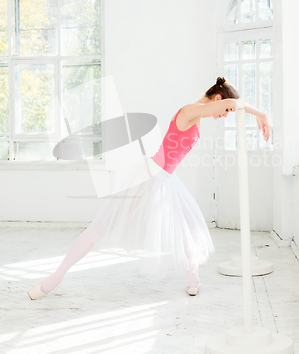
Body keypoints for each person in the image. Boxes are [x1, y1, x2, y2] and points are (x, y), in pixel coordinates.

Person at [28, 77, 271, 300]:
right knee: (103, 226)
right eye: (227, 111)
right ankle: (54, 279)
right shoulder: (188, 111)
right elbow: (229, 103)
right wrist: (261, 114)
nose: (225, 115)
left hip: (166, 178)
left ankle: (192, 275)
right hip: (150, 175)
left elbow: (226, 105)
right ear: (218, 100)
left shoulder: (196, 116)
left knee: (186, 225)